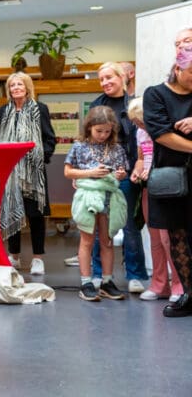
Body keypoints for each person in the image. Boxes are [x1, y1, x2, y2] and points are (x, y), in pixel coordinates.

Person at [88, 62, 147, 293]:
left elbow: (143, 137)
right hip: (100, 174)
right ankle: (97, 274)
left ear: (122, 77)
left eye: (109, 77)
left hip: (127, 172)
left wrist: (138, 167)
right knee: (98, 225)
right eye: (101, 79)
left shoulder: (134, 103)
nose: (105, 82)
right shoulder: (96, 105)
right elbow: (87, 140)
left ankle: (135, 276)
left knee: (130, 225)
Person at [143, 44, 192, 317]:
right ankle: (189, 293)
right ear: (177, 69)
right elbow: (160, 133)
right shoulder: (155, 94)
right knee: (178, 237)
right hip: (172, 178)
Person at [64, 105, 129, 302]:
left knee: (107, 241)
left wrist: (120, 174)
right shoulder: (79, 146)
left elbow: (122, 172)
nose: (103, 135)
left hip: (109, 198)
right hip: (87, 198)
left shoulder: (117, 148)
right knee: (87, 241)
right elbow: (68, 172)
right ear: (89, 127)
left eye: (107, 131)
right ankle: (86, 282)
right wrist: (90, 173)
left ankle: (107, 282)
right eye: (99, 131)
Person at [0, 72, 56, 275]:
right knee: (13, 210)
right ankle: (15, 256)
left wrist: (40, 157)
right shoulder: (4, 111)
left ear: (27, 87)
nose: (16, 88)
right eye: (12, 85)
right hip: (10, 172)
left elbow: (49, 138)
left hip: (33, 172)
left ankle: (38, 258)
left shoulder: (40, 109)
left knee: (36, 215)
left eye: (20, 84)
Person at [126, 97, 183, 302]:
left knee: (170, 239)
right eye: (135, 122)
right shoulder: (140, 132)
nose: (138, 125)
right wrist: (137, 170)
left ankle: (179, 285)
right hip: (149, 189)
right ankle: (159, 284)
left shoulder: (166, 132)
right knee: (155, 238)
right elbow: (142, 158)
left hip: (168, 188)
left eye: (140, 121)